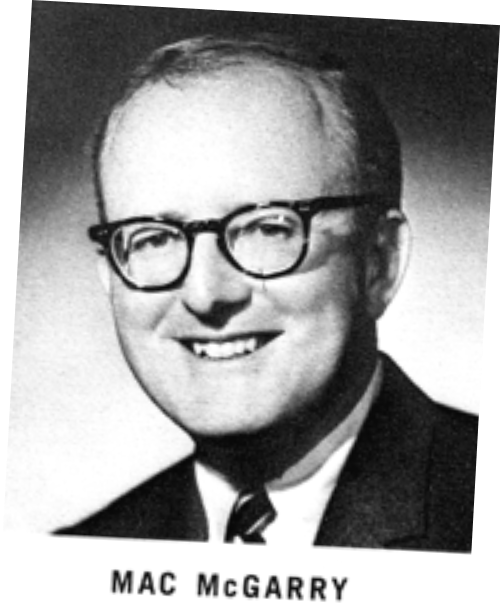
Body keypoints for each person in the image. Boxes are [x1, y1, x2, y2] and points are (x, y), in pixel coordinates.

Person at [56, 34, 477, 550]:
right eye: (154, 239)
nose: (206, 294)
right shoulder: (79, 555)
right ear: (110, 275)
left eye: (267, 228)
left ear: (379, 262)